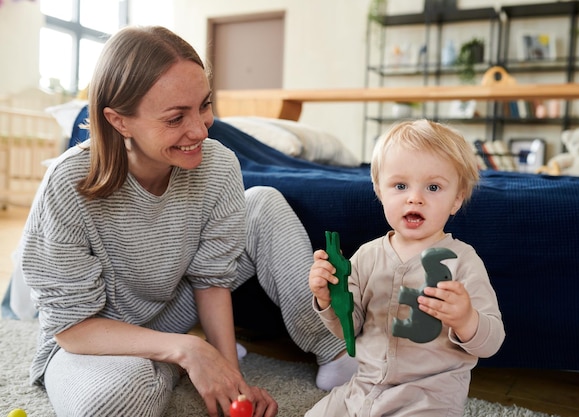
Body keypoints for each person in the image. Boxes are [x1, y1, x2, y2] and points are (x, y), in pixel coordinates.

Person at [17, 25, 355, 417]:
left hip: (171, 311)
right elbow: (72, 328)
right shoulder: (68, 184)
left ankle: (334, 353)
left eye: (204, 105)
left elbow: (212, 280)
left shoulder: (218, 165)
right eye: (176, 117)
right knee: (113, 400)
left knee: (263, 201)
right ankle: (173, 363)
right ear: (119, 121)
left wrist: (231, 379)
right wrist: (188, 349)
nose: (200, 129)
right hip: (94, 339)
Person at [307, 119, 505, 417]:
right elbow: (350, 328)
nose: (415, 197)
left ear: (456, 199)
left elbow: (492, 342)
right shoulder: (367, 256)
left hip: (428, 400)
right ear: (379, 191)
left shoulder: (463, 261)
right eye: (400, 185)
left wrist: (466, 319)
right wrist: (327, 299)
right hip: (364, 387)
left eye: (434, 187)